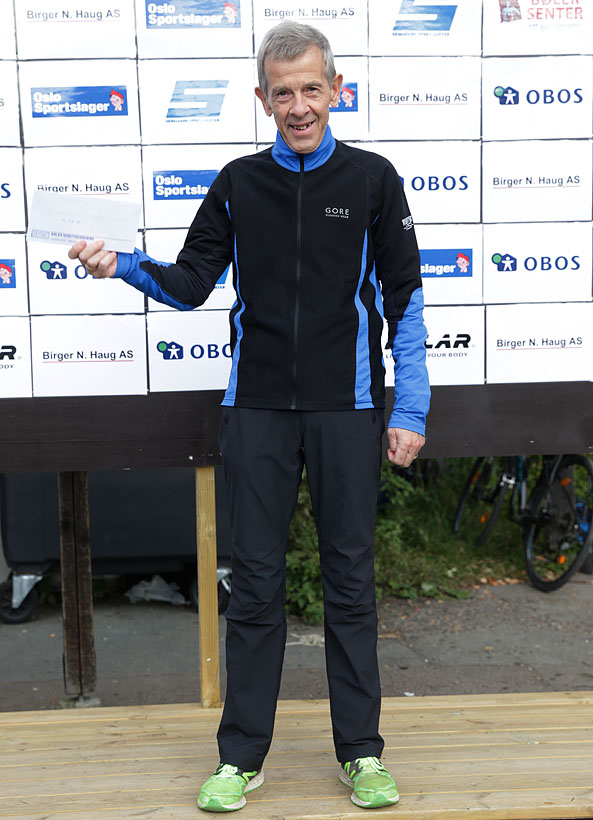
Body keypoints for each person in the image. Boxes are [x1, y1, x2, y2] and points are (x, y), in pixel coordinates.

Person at [68, 21, 430, 812]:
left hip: (347, 409)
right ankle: (240, 758)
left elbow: (405, 301)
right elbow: (189, 283)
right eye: (283, 92)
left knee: (350, 584)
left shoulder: (373, 180)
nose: (298, 106)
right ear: (262, 98)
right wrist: (121, 264)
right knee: (257, 587)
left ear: (336, 90)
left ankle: (361, 752)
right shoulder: (238, 182)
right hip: (256, 411)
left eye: (311, 89)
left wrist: (410, 406)